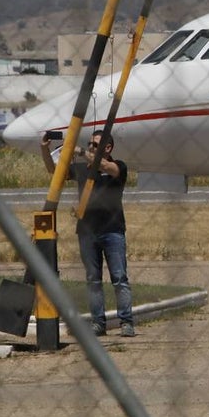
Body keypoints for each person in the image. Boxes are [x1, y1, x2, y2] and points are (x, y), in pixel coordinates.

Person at [40, 130, 136, 337]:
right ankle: (98, 322)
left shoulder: (118, 166)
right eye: (89, 144)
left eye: (95, 145)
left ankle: (126, 321)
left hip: (113, 231)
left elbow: (107, 167)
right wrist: (45, 150)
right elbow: (54, 171)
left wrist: (81, 151)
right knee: (93, 280)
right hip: (87, 232)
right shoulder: (83, 169)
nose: (91, 147)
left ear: (108, 148)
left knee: (119, 278)